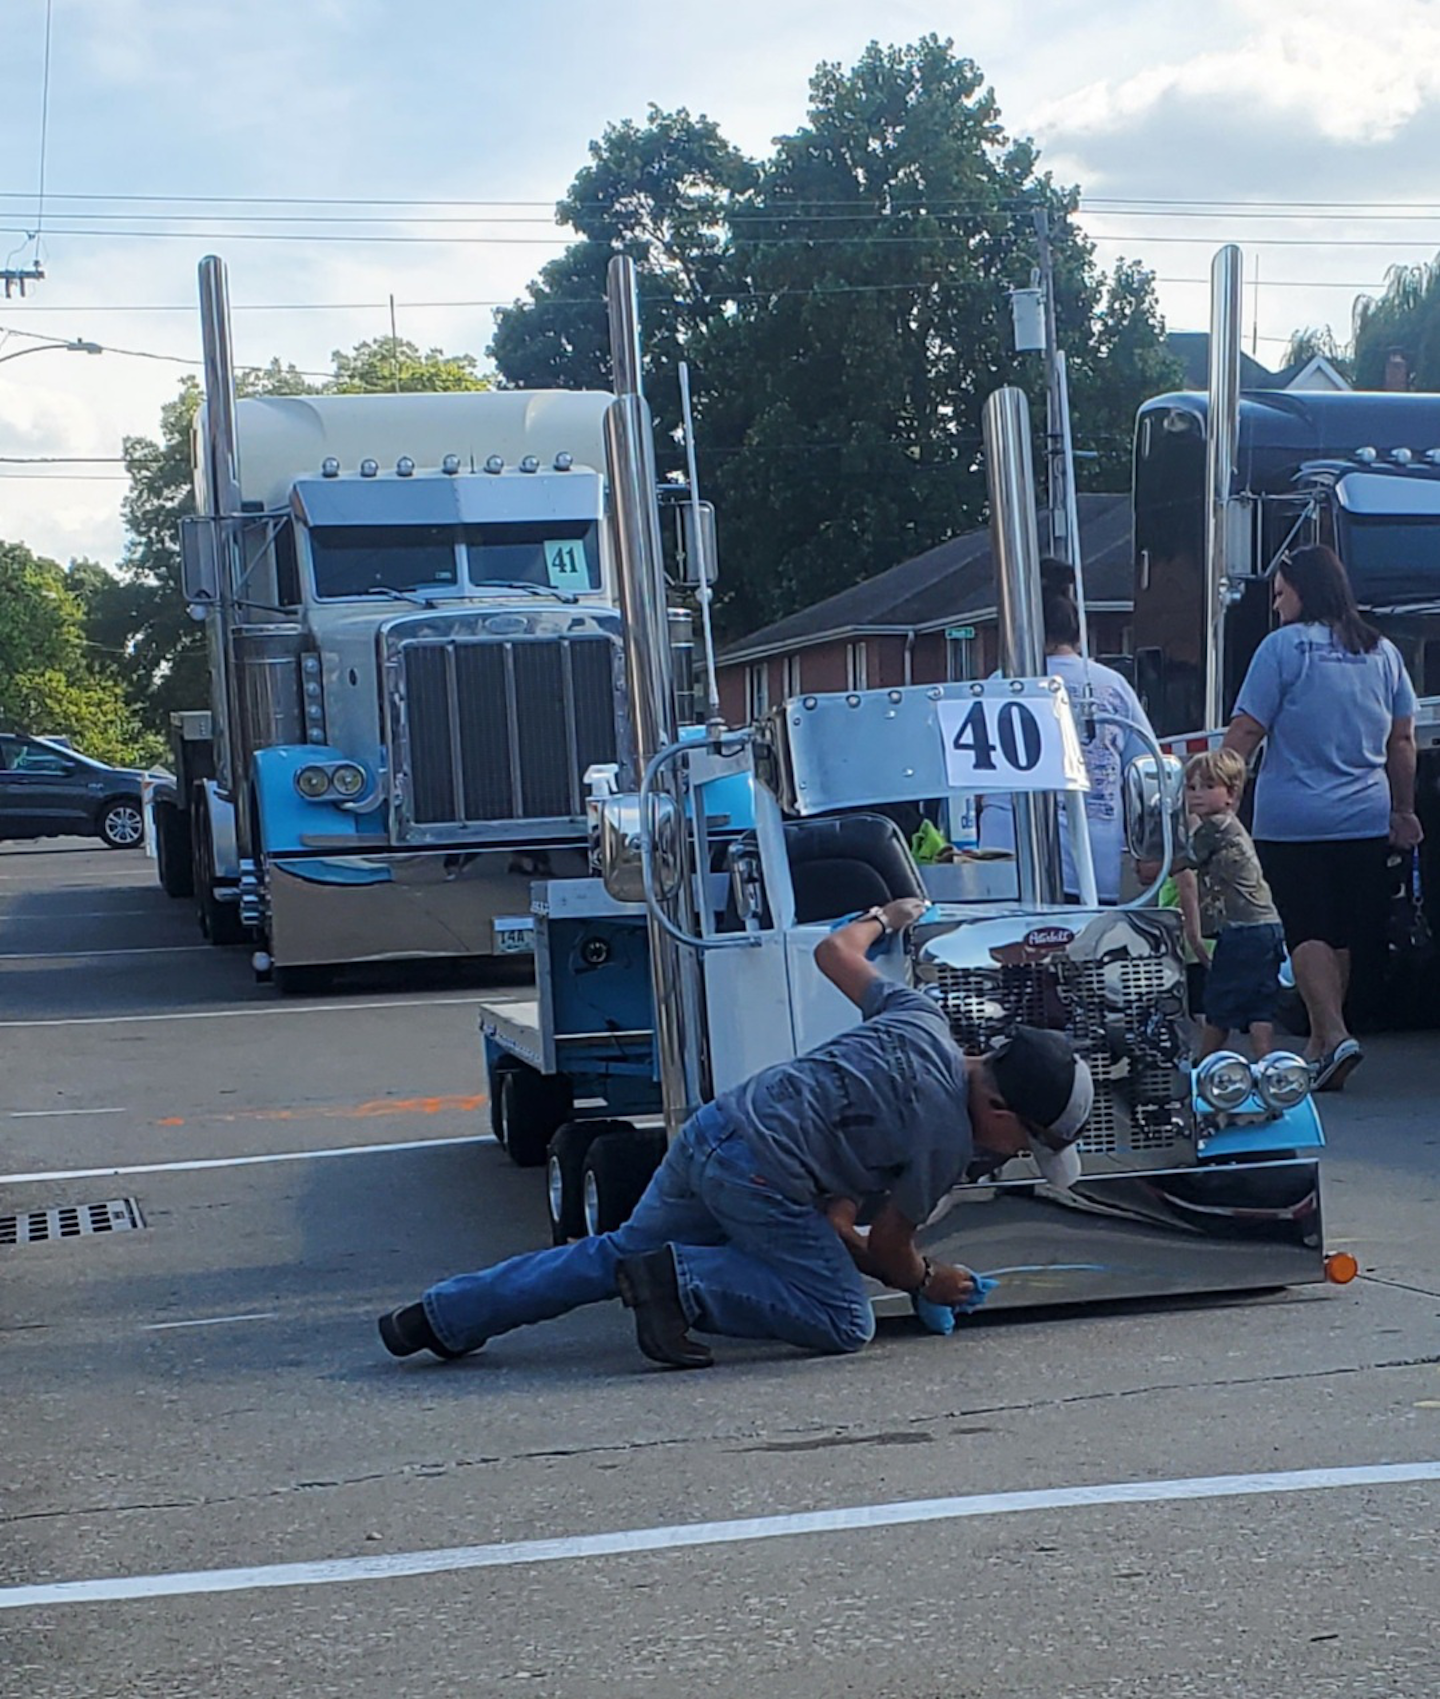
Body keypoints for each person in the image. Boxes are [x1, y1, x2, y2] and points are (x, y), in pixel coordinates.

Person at [379, 897, 1094, 1371]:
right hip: (760, 1177)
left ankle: (441, 1315)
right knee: (844, 1319)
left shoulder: (919, 1019)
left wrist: (887, 913)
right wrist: (932, 1280)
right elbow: (885, 1249)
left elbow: (834, 951)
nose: (1009, 1158)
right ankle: (681, 1282)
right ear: (999, 1109)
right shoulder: (943, 1141)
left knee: (614, 1251)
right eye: (1023, 1144)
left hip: (714, 1130)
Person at [1222, 544, 1421, 1091]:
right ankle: (1319, 1047)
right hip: (1363, 814)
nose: (1276, 604)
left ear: (1304, 590)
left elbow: (1247, 730)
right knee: (1340, 933)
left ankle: (1333, 1034)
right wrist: (1403, 809)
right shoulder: (1382, 652)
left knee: (1303, 927)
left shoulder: (1283, 649)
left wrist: (1218, 787)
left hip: (1294, 817)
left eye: (1281, 592)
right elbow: (1402, 740)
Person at [979, 559, 1159, 902]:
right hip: (1093, 863)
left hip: (1008, 861)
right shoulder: (1111, 686)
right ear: (1077, 631)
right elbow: (1147, 773)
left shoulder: (1001, 686)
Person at [1173, 749, 1285, 1060]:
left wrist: (1150, 864)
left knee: (1220, 1003)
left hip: (1240, 930)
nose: (1196, 795)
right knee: (1259, 1004)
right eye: (1191, 787)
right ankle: (1265, 1064)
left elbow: (1181, 862)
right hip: (1266, 925)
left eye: (1208, 787)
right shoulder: (1230, 825)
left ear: (1231, 793)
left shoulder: (1216, 827)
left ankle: (1202, 1065)